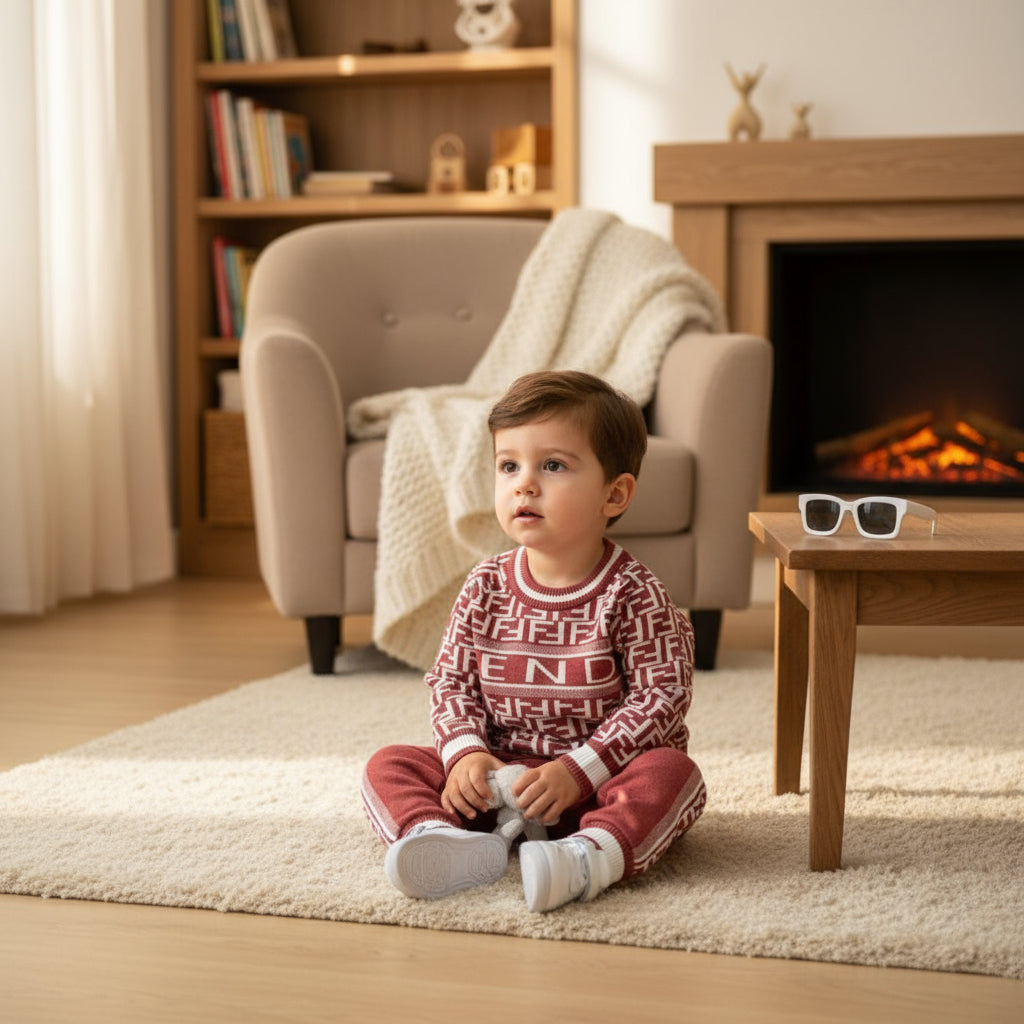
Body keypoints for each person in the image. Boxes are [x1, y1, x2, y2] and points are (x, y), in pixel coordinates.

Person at [361, 370, 706, 912]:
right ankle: (437, 839)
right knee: (390, 764)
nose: (524, 483)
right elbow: (451, 681)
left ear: (613, 494)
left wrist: (579, 771)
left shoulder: (635, 593)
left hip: (594, 784)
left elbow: (660, 700)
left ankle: (588, 856)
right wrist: (466, 757)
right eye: (508, 466)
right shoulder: (485, 584)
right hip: (496, 781)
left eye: (552, 465)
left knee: (673, 776)